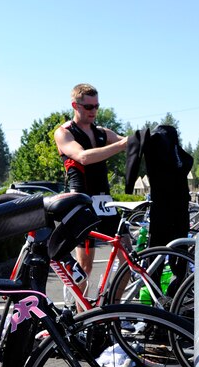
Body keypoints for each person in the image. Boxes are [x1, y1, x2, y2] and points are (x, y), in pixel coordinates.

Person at [53, 83, 127, 286]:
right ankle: (82, 315)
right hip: (81, 202)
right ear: (75, 106)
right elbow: (82, 157)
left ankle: (113, 309)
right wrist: (121, 145)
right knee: (85, 268)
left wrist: (144, 140)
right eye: (88, 107)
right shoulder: (64, 132)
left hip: (105, 201)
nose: (93, 111)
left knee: (128, 260)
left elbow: (129, 143)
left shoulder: (103, 133)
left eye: (96, 106)